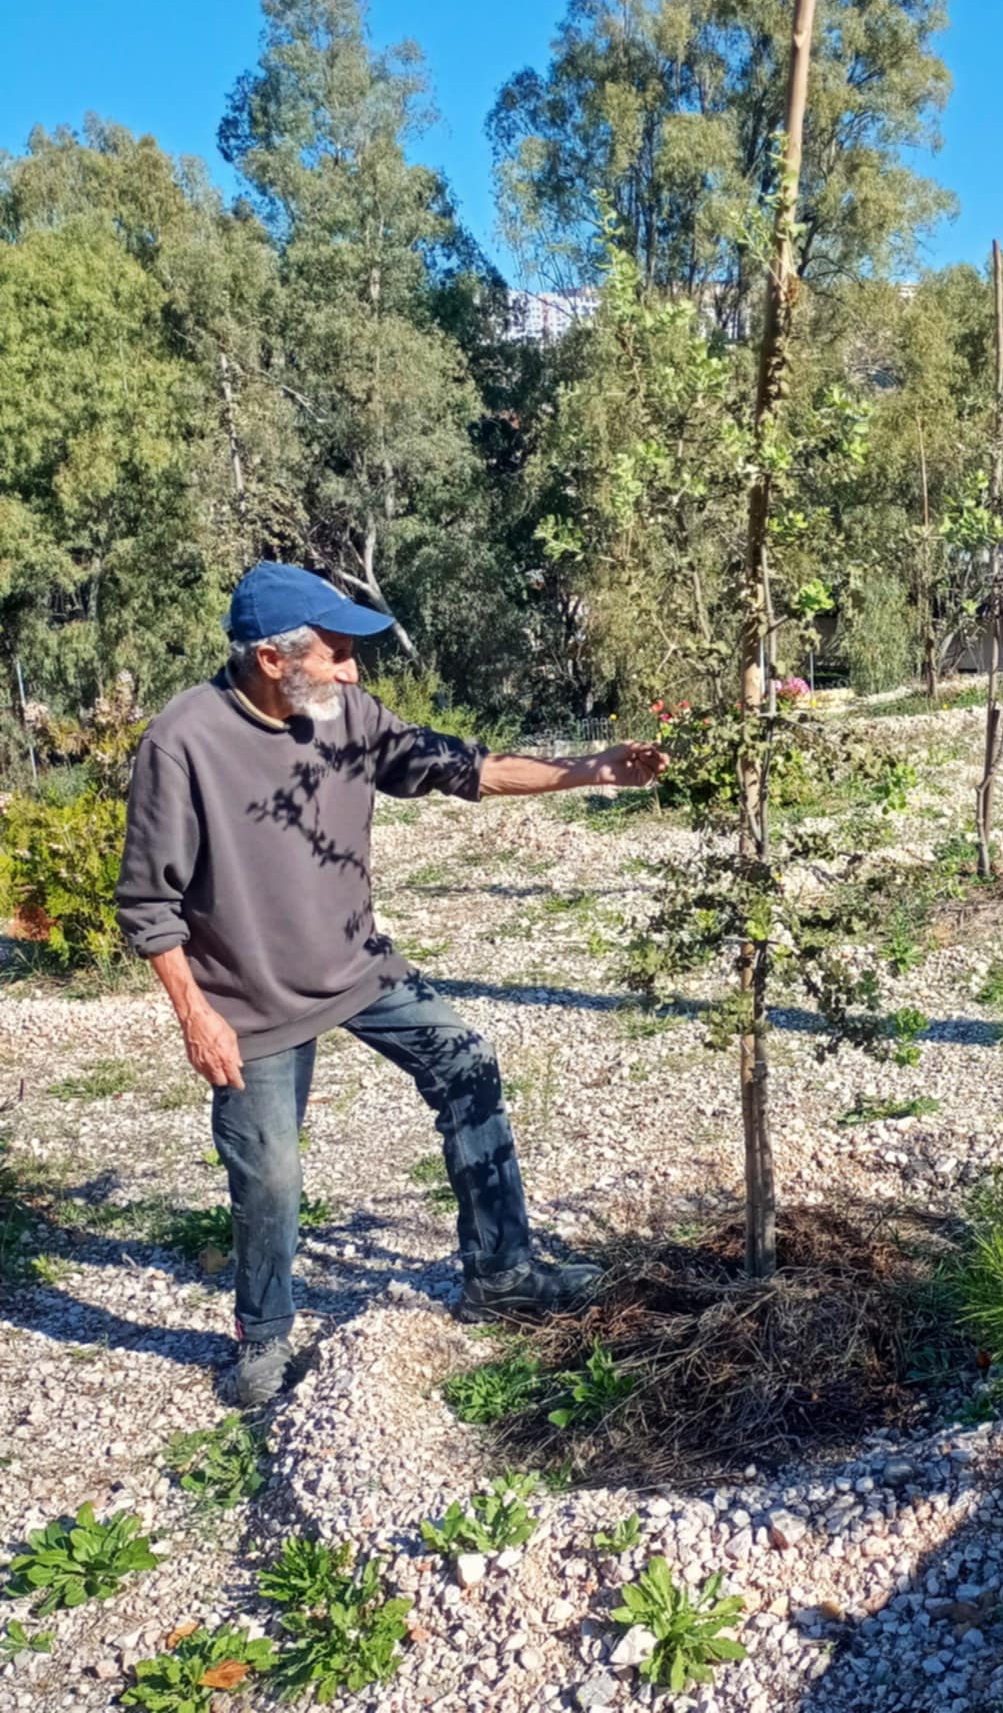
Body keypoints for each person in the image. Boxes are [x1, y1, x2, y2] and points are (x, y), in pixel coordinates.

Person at [116, 562, 667, 1407]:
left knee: (466, 1063)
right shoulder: (181, 741)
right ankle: (261, 1339)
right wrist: (196, 1014)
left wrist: (594, 768)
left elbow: (464, 767)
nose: (352, 670)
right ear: (273, 659)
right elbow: (149, 903)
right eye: (337, 653)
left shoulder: (346, 716)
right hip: (249, 1003)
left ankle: (501, 1272)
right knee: (269, 1175)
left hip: (359, 968)